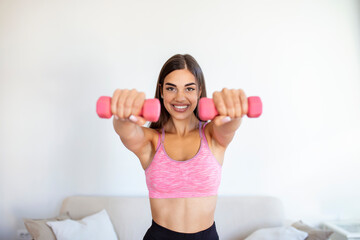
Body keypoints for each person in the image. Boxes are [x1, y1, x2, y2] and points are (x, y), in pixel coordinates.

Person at [111, 54, 248, 240]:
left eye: (189, 88)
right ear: (161, 91)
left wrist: (234, 113)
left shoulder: (212, 135)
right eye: (171, 88)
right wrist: (122, 117)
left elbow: (228, 126)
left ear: (199, 91)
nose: (180, 97)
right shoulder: (151, 141)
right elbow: (126, 131)